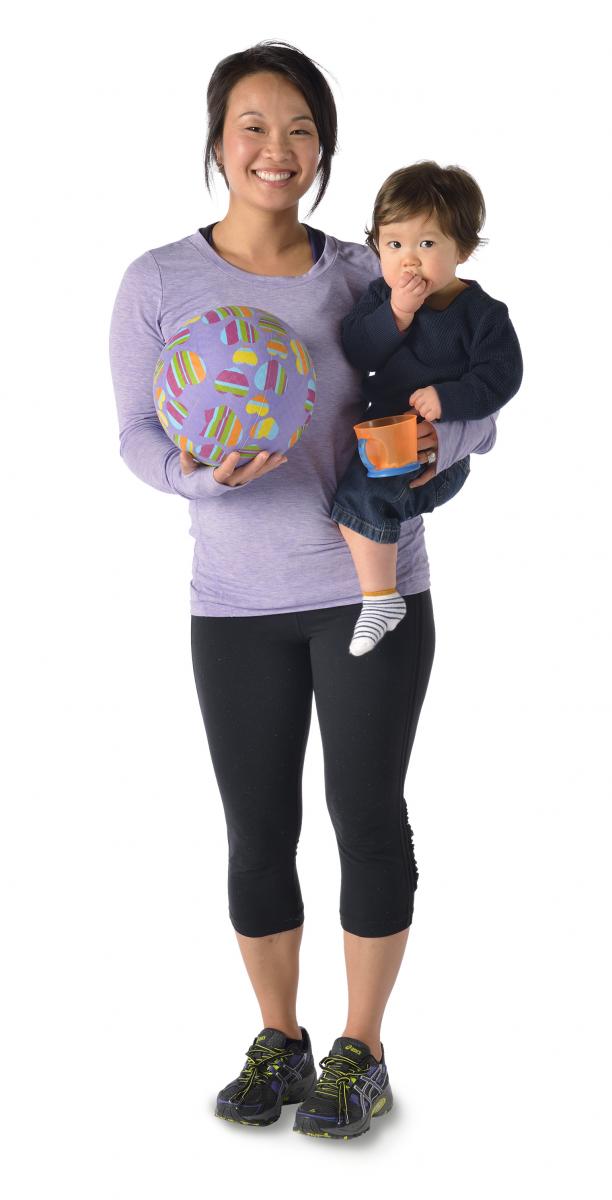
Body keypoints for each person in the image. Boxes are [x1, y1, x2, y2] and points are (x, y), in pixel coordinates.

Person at [109, 41, 499, 1141]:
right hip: (234, 603)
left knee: (367, 819)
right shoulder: (159, 282)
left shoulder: (367, 273)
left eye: (299, 129)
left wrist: (434, 439)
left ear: (321, 147)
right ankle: (280, 1039)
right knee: (257, 831)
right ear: (217, 139)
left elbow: (476, 400)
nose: (276, 150)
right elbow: (135, 433)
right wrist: (191, 474)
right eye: (253, 125)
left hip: (371, 593)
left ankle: (361, 1050)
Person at [331, 162, 523, 656]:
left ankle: (380, 599)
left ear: (464, 249)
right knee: (353, 500)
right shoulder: (381, 296)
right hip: (385, 437)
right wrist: (396, 313)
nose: (409, 261)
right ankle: (378, 591)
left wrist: (448, 399)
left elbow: (502, 376)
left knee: (362, 500)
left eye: (427, 244)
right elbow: (357, 350)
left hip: (437, 457)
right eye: (394, 245)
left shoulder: (482, 315)